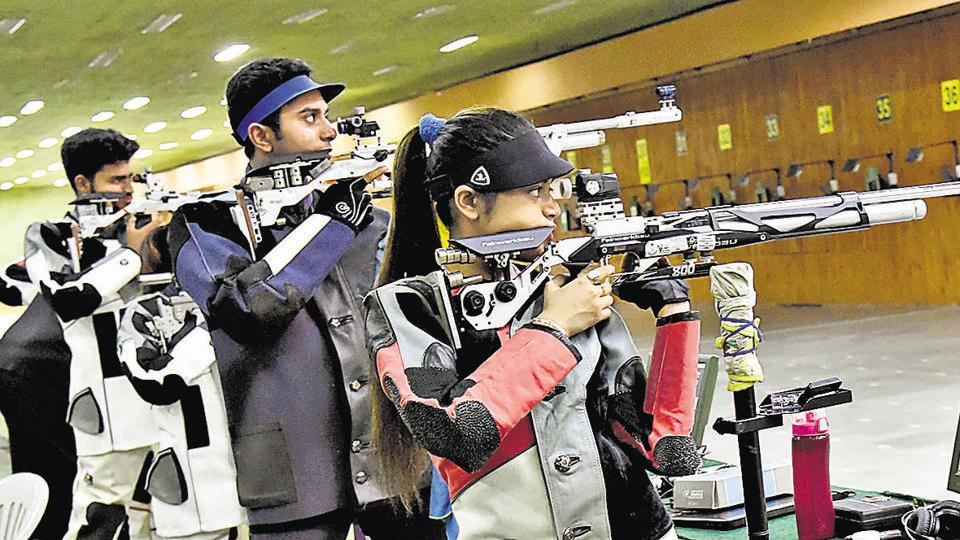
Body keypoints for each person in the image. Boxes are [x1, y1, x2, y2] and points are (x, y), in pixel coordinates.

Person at [364, 108, 702, 539]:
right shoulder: (410, 306)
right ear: (468, 201)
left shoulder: (562, 285)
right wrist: (555, 326)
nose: (552, 208)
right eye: (533, 191)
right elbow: (456, 433)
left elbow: (667, 452)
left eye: (552, 189)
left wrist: (675, 315)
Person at [167, 57, 443, 539]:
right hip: (293, 474)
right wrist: (332, 225)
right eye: (309, 117)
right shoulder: (205, 223)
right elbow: (246, 309)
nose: (330, 132)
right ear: (262, 136)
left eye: (327, 116)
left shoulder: (365, 219)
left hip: (395, 466)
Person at [21, 128, 164, 539]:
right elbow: (69, 298)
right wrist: (131, 256)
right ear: (83, 184)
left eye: (131, 179)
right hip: (106, 408)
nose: (128, 191)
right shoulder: (50, 236)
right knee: (99, 524)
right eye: (116, 181)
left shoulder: (138, 226)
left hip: (163, 400)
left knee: (159, 525)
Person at [118, 227, 244, 540]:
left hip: (258, 478)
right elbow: (157, 384)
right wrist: (206, 327)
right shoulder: (143, 314)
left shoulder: (247, 302)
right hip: (195, 494)